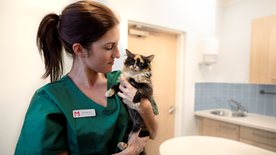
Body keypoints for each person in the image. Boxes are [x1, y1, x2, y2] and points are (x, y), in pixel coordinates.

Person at [14, 1, 159, 155]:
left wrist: (144, 107)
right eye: (109, 47)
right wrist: (130, 152)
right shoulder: (49, 101)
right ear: (80, 50)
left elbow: (154, 132)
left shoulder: (123, 83)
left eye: (117, 45)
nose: (117, 54)